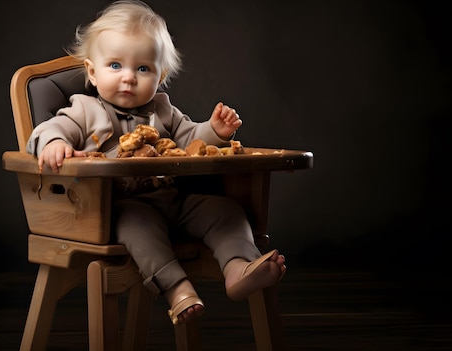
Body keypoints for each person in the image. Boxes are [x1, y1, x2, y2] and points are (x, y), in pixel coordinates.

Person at [26, 0, 286, 325]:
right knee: (140, 228)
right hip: (117, 207)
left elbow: (192, 140)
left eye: (143, 69)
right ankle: (178, 290)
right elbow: (50, 128)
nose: (129, 78)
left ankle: (238, 268)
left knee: (226, 212)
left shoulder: (163, 111)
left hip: (172, 199)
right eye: (116, 66)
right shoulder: (84, 109)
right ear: (92, 72)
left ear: (160, 76)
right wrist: (54, 143)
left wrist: (214, 132)